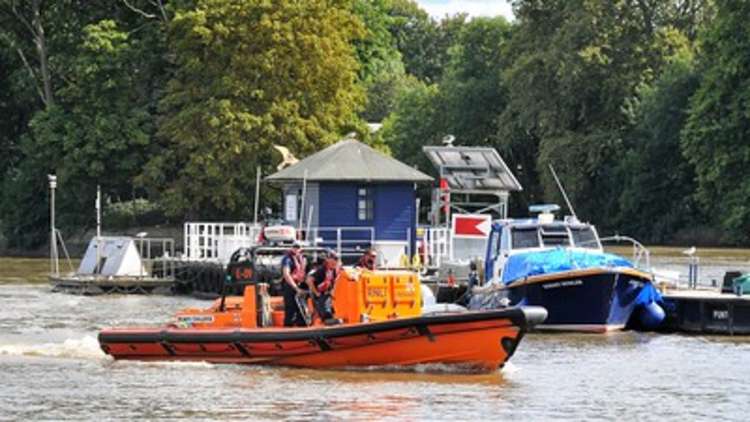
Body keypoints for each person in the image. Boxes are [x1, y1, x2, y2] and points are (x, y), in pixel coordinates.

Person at [305, 250, 340, 324]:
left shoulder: (333, 270)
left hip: (327, 296)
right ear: (328, 259)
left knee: (327, 311)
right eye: (334, 259)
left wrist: (333, 291)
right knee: (325, 314)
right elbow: (309, 280)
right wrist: (316, 293)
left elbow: (334, 282)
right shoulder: (321, 270)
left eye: (337, 259)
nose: (336, 261)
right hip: (320, 296)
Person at [280, 241, 307, 327]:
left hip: (300, 285)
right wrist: (296, 288)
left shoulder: (303, 259)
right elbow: (286, 274)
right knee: (290, 309)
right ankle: (288, 328)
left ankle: (302, 326)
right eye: (295, 247)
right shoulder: (287, 259)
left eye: (298, 247)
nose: (296, 249)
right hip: (290, 286)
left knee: (301, 311)